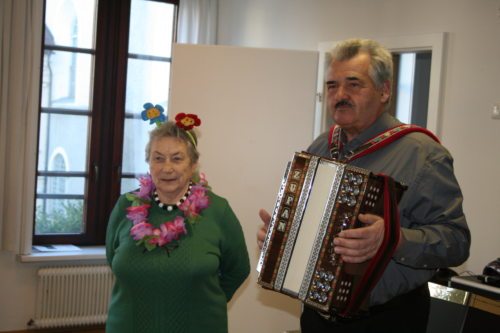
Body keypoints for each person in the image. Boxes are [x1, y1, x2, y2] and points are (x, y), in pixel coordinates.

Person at [257, 38, 470, 333]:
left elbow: (456, 242)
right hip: (317, 318)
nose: (340, 95)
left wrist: (393, 238)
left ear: (384, 91)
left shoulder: (422, 154)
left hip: (387, 320)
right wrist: (281, 237)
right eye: (332, 85)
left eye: (354, 84)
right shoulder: (321, 146)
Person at [106, 111, 250, 333]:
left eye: (177, 158)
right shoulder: (125, 207)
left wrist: (203, 303)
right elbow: (112, 257)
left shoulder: (218, 210)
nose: (167, 168)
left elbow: (238, 269)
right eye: (158, 158)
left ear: (193, 165)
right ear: (149, 163)